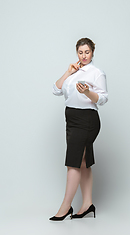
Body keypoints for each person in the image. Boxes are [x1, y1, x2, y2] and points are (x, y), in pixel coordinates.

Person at [49, 38, 108, 221]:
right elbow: (56, 89)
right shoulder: (74, 72)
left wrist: (86, 92)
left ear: (92, 53)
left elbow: (103, 99)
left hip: (87, 120)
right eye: (80, 52)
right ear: (77, 53)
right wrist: (68, 72)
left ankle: (65, 207)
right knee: (82, 161)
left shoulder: (97, 73)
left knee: (73, 162)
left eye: (87, 52)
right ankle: (87, 204)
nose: (83, 56)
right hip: (71, 119)